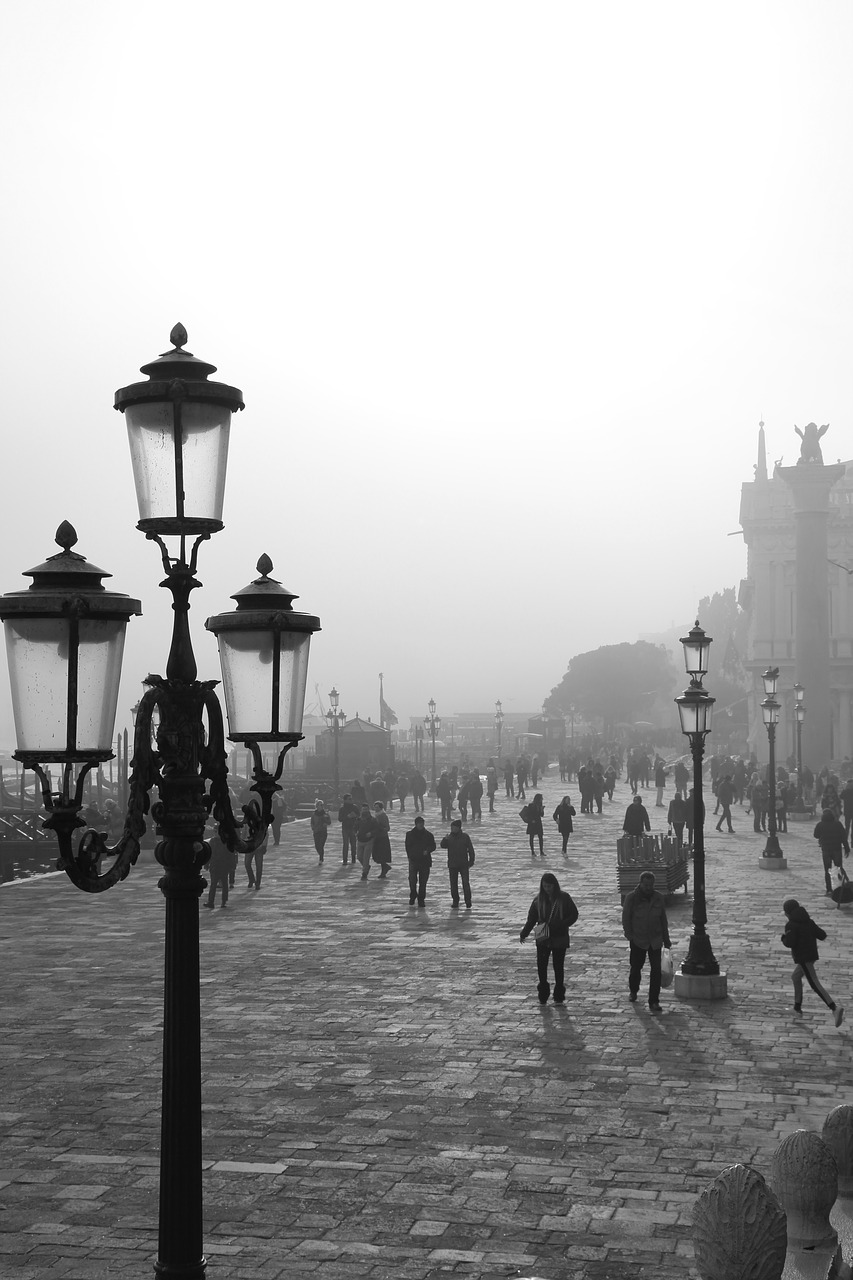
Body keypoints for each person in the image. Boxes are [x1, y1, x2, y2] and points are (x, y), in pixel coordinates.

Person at [781, 898, 844, 1026]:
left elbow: (790, 943)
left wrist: (784, 938)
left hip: (804, 958)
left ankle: (834, 1008)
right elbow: (822, 935)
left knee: (814, 983)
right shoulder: (808, 921)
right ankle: (797, 1008)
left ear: (788, 913)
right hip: (811, 955)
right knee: (795, 977)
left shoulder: (791, 925)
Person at [519, 872, 579, 1004]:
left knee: (558, 966)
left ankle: (559, 994)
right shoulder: (537, 900)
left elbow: (574, 914)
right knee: (541, 965)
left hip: (559, 937)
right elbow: (532, 919)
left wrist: (562, 924)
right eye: (545, 886)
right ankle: (543, 993)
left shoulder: (564, 898)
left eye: (549, 886)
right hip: (543, 937)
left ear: (554, 886)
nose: (547, 889)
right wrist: (524, 933)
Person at [622, 871, 672, 1012]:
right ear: (640, 883)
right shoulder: (631, 898)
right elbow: (626, 918)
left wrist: (666, 939)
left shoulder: (658, 898)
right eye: (646, 885)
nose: (648, 888)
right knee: (636, 967)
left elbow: (663, 920)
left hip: (655, 940)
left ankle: (654, 1001)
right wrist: (629, 935)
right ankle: (633, 990)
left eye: (650, 885)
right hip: (638, 939)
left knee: (656, 970)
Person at [813, 807, 850, 894]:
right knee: (839, 868)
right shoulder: (838, 824)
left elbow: (816, 835)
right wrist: (847, 849)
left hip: (826, 849)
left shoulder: (820, 824)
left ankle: (829, 889)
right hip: (836, 849)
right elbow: (844, 837)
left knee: (827, 870)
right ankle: (840, 887)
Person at [440, 818, 475, 908]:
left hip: (463, 864)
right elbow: (442, 846)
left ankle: (468, 901)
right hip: (452, 864)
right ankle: (455, 901)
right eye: (452, 827)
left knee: (465, 883)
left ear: (458, 828)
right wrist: (445, 839)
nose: (453, 829)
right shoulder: (449, 837)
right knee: (453, 884)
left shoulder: (465, 837)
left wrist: (471, 861)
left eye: (454, 827)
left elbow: (470, 849)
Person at [405, 814, 436, 907]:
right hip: (413, 860)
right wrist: (410, 856)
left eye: (422, 823)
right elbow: (407, 846)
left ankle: (421, 898)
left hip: (425, 861)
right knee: (412, 880)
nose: (421, 825)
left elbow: (433, 846)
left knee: (423, 882)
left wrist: (428, 850)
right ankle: (413, 894)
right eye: (419, 824)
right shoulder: (410, 834)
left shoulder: (428, 835)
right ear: (416, 824)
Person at [204, 832, 232, 909]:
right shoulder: (225, 841)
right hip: (219, 865)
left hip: (218, 865)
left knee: (217, 884)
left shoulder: (214, 841)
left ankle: (213, 902)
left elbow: (208, 853)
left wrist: (207, 864)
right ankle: (219, 901)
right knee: (220, 883)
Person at [356, 804, 378, 880]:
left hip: (369, 841)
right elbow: (355, 828)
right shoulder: (359, 819)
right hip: (360, 840)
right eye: (363, 809)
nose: (364, 811)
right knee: (359, 857)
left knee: (366, 858)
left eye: (366, 809)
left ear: (368, 810)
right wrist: (356, 833)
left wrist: (371, 833)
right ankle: (366, 867)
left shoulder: (373, 820)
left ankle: (364, 873)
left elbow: (376, 829)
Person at [372, 801, 392, 878]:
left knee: (381, 855)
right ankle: (385, 868)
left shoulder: (383, 816)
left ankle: (384, 870)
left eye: (377, 807)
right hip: (376, 837)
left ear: (381, 808)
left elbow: (387, 828)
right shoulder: (376, 815)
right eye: (375, 807)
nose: (376, 809)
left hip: (382, 838)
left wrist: (379, 827)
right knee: (376, 855)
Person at [338, 794, 360, 865]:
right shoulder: (342, 809)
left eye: (351, 799)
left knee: (353, 844)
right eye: (349, 799)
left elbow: (359, 816)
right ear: (345, 800)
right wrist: (347, 816)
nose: (351, 800)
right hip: (345, 828)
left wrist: (355, 816)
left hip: (353, 828)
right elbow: (340, 819)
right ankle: (345, 859)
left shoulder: (355, 807)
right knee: (345, 844)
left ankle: (353, 858)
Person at [525, 792, 546, 857]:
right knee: (531, 837)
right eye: (541, 798)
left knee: (540, 837)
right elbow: (528, 814)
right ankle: (532, 851)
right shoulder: (531, 805)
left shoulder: (540, 805)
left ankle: (541, 851)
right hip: (532, 823)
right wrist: (531, 820)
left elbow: (541, 815)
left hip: (538, 822)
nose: (542, 800)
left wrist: (542, 810)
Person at [310, 800, 331, 864]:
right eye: (320, 805)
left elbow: (329, 822)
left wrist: (326, 823)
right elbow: (312, 822)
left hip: (323, 831)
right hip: (316, 831)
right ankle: (321, 855)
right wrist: (313, 828)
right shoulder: (314, 814)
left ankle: (321, 858)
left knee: (321, 845)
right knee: (317, 846)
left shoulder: (325, 814)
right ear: (317, 806)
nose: (321, 806)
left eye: (322, 805)